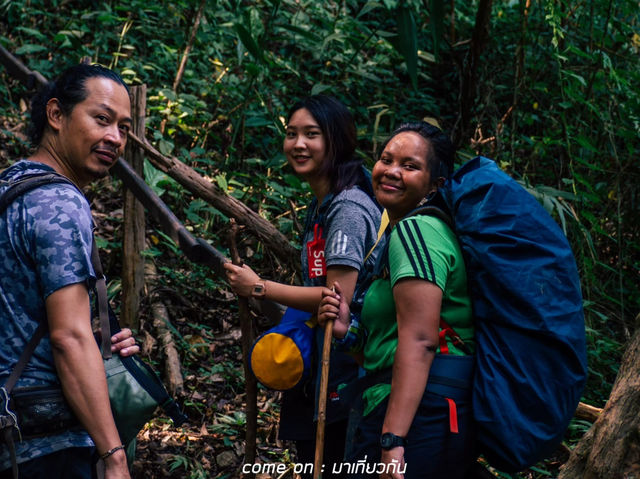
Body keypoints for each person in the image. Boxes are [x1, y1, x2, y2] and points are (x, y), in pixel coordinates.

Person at [224, 95, 381, 476]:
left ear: (336, 141)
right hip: (325, 354)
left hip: (349, 361)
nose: (298, 144)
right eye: (291, 134)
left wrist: (259, 287)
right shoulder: (322, 203)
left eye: (311, 134)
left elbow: (336, 298)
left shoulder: (347, 209)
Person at [0, 63, 139, 479]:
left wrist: (100, 341)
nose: (114, 138)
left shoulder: (9, 190)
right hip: (48, 443)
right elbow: (68, 336)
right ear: (57, 115)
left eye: (124, 127)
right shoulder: (59, 202)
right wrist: (114, 455)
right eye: (101, 119)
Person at [318, 122, 476, 478]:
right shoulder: (400, 232)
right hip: (411, 407)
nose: (391, 171)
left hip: (422, 415)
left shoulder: (416, 231)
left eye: (410, 165)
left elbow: (420, 341)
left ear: (436, 184)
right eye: (386, 159)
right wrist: (349, 331)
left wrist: (392, 439)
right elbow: (387, 344)